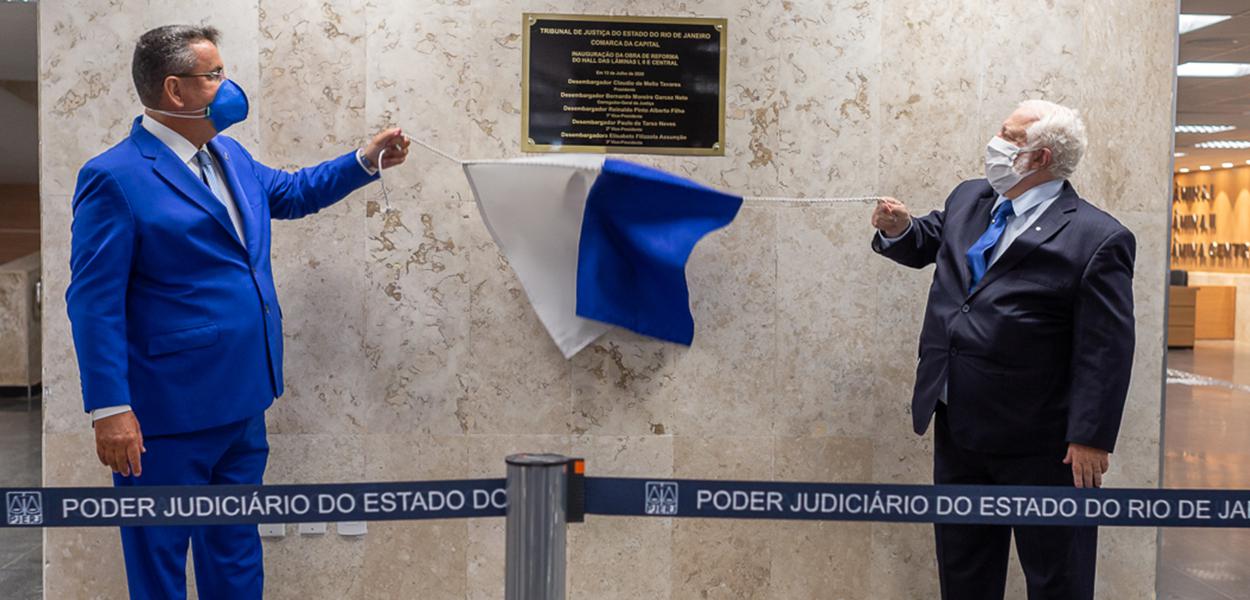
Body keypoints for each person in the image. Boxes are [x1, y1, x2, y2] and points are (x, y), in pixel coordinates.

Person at [65, 24, 410, 599]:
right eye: (215, 75)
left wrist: (363, 159)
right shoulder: (114, 177)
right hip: (164, 418)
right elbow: (93, 301)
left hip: (245, 399)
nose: (228, 85)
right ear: (176, 91)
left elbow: (294, 192)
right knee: (160, 568)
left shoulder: (228, 153)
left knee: (236, 553)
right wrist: (110, 410)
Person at [870, 99, 1135, 600]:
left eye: (1008, 136)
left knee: (1057, 576)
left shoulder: (1098, 238)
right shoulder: (972, 198)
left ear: (1038, 158)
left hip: (1045, 443)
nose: (994, 143)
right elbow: (932, 239)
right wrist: (901, 228)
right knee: (964, 569)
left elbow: (1107, 348)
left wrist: (1091, 437)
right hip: (958, 422)